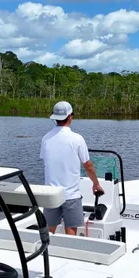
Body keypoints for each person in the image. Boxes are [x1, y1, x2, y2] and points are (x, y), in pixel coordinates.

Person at [40, 100, 104, 235]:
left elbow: (47, 161)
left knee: (49, 230)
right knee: (71, 229)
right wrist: (96, 184)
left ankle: (47, 253)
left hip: (50, 193)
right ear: (70, 116)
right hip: (71, 195)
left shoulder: (46, 138)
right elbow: (88, 166)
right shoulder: (77, 139)